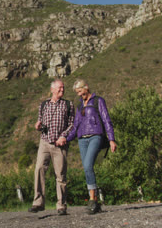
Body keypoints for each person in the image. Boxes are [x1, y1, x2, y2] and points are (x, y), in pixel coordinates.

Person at [66, 79, 117, 214]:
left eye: (80, 91)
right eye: (77, 92)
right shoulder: (79, 106)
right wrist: (66, 139)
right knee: (87, 169)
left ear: (86, 87)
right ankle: (94, 201)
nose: (79, 94)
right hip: (82, 139)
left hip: (96, 135)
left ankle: (93, 200)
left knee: (88, 165)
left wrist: (111, 139)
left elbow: (106, 120)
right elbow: (76, 125)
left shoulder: (98, 101)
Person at [29, 79, 74, 216]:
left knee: (60, 175)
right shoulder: (43, 105)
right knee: (39, 170)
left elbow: (72, 124)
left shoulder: (68, 104)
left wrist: (63, 136)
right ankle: (38, 203)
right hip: (44, 142)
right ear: (52, 89)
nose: (62, 90)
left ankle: (61, 205)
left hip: (60, 145)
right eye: (59, 88)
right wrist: (38, 125)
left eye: (63, 88)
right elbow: (41, 122)